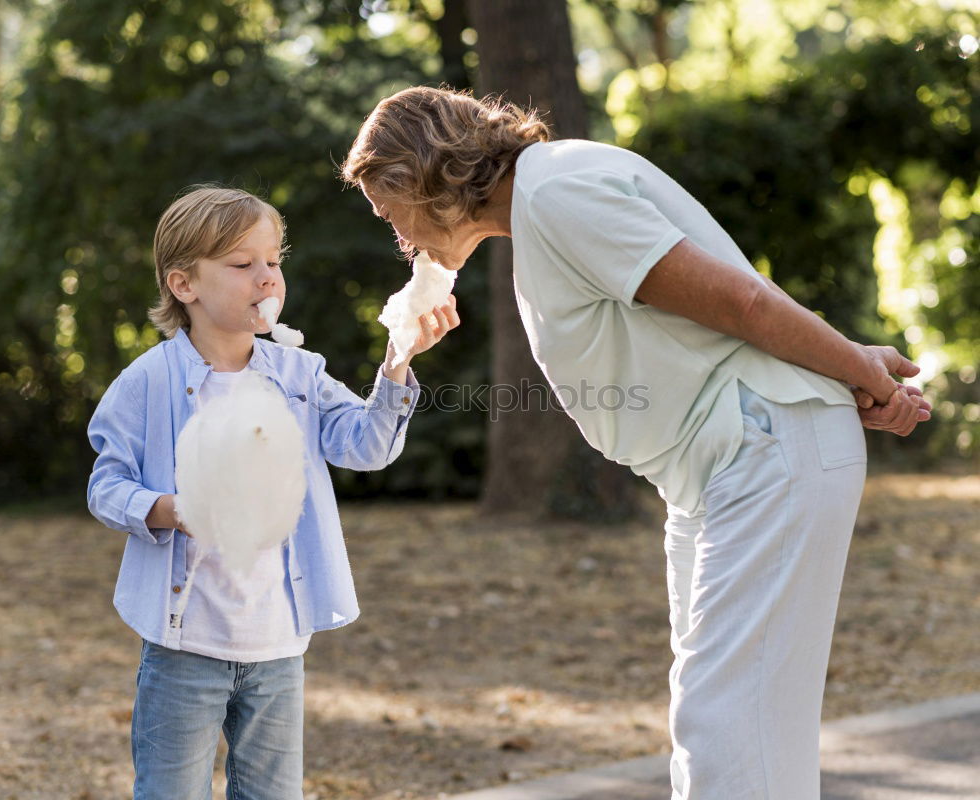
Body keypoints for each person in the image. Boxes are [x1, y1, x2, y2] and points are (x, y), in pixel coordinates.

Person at [341, 87, 931, 800]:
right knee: (728, 727)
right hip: (722, 466)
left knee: (729, 730)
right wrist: (846, 362)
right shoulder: (545, 199)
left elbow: (740, 301)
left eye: (388, 212)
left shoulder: (555, 193)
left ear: (420, 177)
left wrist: (853, 369)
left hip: (762, 444)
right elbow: (713, 309)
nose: (397, 237)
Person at [86, 185, 459, 800]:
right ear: (185, 285)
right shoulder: (148, 381)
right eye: (242, 264)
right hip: (184, 643)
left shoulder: (300, 373)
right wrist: (170, 511)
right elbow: (106, 485)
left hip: (278, 644)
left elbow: (366, 446)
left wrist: (398, 359)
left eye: (273, 261)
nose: (266, 277)